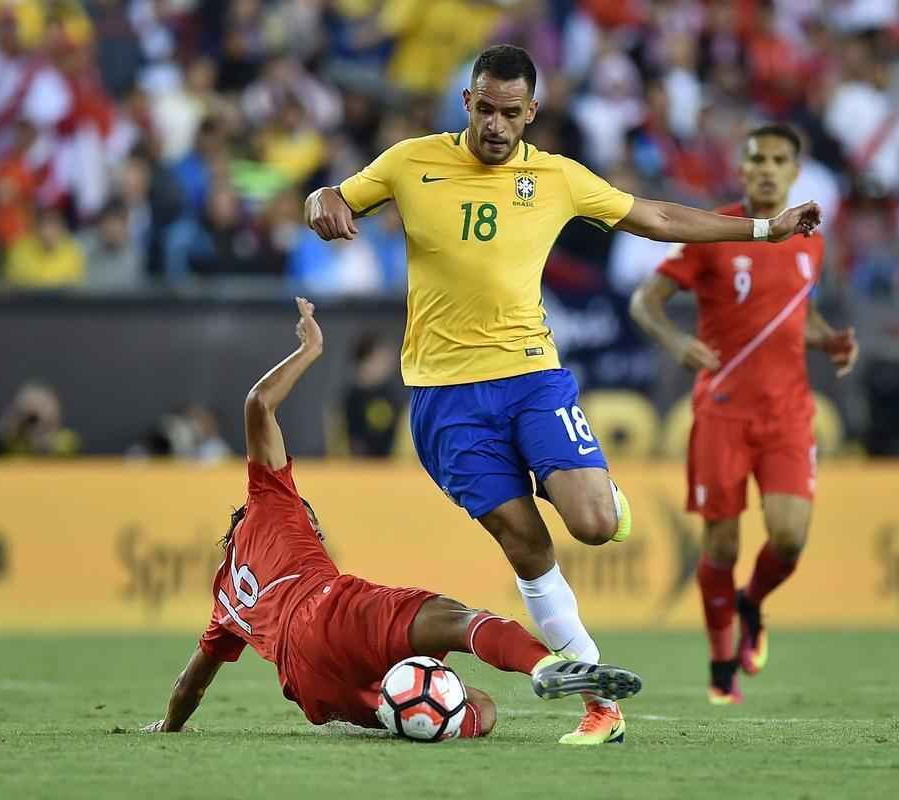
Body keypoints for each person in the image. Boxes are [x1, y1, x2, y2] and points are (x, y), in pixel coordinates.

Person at [305, 44, 821, 743]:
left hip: (529, 376)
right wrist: (323, 201)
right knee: (523, 541)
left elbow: (658, 219)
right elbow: (331, 196)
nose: (494, 124)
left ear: (531, 113)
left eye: (509, 113)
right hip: (443, 397)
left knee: (594, 524)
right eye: (483, 108)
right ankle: (597, 699)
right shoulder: (410, 160)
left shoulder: (556, 178)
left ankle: (600, 500)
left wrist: (761, 230)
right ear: (466, 101)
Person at [142, 298, 642, 742]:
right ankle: (547, 663)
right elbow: (258, 404)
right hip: (332, 612)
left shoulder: (225, 601)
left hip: (310, 685)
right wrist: (311, 350)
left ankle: (429, 712)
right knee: (457, 620)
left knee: (477, 710)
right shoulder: (269, 499)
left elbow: (193, 683)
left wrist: (169, 726)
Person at [629, 124, 858, 705]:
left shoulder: (809, 239)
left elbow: (794, 315)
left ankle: (751, 603)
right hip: (723, 413)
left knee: (789, 536)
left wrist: (828, 339)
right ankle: (720, 662)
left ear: (795, 171)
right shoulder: (715, 233)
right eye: (757, 157)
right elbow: (644, 302)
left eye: (779, 159)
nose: (766, 168)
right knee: (721, 547)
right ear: (742, 165)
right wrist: (675, 342)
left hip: (787, 414)